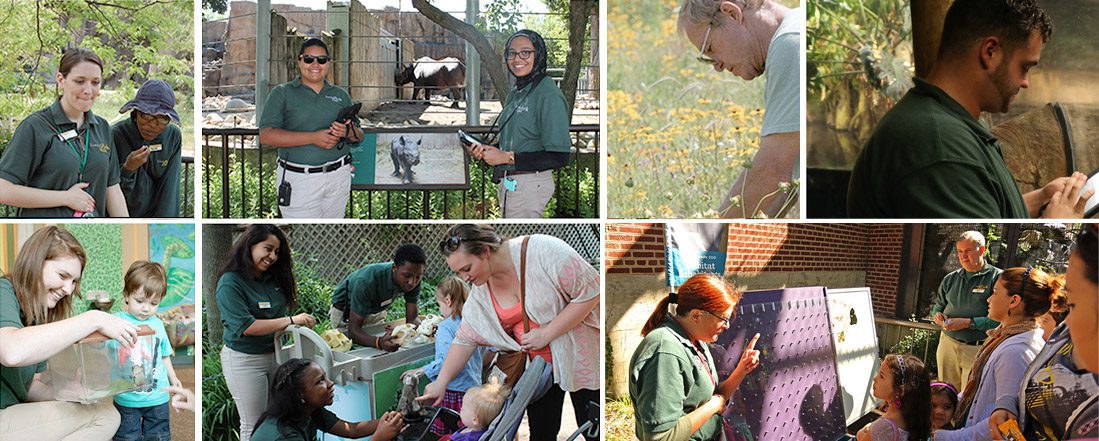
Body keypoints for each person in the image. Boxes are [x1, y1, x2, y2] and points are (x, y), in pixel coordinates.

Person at [847, 0, 1094, 218]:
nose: (1025, 82)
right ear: (990, 52)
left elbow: (985, 215)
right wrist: (1058, 224)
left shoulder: (948, 122)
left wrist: (1039, 200)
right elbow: (975, 238)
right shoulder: (940, 148)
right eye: (1024, 67)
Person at [417, 224, 600, 441]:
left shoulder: (545, 252)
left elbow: (591, 290)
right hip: (536, 371)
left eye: (466, 269)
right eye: (458, 272)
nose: (464, 278)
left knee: (593, 430)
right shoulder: (481, 289)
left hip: (581, 359)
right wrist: (442, 381)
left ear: (485, 250)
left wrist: (547, 333)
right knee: (542, 434)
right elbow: (465, 337)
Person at [0, 225, 138, 439]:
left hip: (10, 413)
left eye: (74, 281)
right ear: (35, 263)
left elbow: (29, 388)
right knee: (102, 417)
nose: (69, 289)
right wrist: (94, 319)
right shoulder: (3, 291)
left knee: (107, 413)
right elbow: (11, 351)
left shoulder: (38, 316)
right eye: (63, 275)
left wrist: (66, 393)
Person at [678, 0, 802, 218]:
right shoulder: (793, 36)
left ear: (731, 13)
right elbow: (791, 179)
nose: (717, 66)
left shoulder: (790, 44)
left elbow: (772, 170)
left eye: (710, 48)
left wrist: (713, 235)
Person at [988, 223, 1099, 440]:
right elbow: (1032, 381)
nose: (1066, 321)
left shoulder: (1017, 348)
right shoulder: (1064, 334)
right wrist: (1007, 405)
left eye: (1074, 304)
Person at [934, 266, 1065, 440]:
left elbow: (1005, 423)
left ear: (1014, 301)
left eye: (995, 292)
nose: (989, 299)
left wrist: (947, 437)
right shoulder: (1006, 338)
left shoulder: (1016, 351)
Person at [628, 273, 762, 441]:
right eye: (723, 319)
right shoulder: (665, 352)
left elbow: (711, 398)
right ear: (696, 315)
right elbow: (660, 437)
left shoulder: (695, 339)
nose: (727, 326)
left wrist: (742, 369)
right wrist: (713, 406)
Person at [216, 224, 318, 441]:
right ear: (250, 245)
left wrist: (295, 324)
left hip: (277, 356)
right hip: (244, 360)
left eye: (277, 252)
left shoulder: (273, 278)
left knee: (279, 417)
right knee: (253, 424)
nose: (272, 256)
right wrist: (291, 320)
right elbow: (247, 326)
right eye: (268, 248)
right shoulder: (230, 282)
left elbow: (277, 319)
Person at [0, 48, 128, 218]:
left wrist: (127, 228)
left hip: (92, 236)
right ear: (61, 80)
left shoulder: (102, 128)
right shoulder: (35, 127)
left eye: (95, 82)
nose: (88, 90)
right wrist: (65, 198)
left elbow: (112, 189)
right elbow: (4, 190)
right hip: (46, 237)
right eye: (80, 81)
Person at [464, 30, 571, 218]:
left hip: (530, 184)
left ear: (539, 54)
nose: (517, 58)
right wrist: (487, 150)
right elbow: (516, 141)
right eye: (512, 53)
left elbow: (559, 156)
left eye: (525, 52)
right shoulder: (517, 92)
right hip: (510, 182)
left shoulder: (548, 93)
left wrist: (506, 157)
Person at [258, 38, 363, 219]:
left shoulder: (340, 95)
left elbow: (359, 135)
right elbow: (266, 136)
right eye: (309, 59)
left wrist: (346, 132)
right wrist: (313, 138)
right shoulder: (282, 93)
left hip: (339, 176)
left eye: (321, 59)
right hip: (299, 180)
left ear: (328, 63)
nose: (315, 64)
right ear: (299, 61)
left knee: (331, 233)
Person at [401, 276, 482, 435]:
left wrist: (421, 370)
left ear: (448, 300)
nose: (439, 309)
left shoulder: (445, 327)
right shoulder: (472, 322)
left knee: (447, 433)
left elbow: (446, 361)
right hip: (473, 390)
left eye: (439, 304)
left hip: (452, 391)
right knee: (466, 432)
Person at [250, 358, 405, 441]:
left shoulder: (309, 412)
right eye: (320, 381)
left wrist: (392, 420)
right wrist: (379, 438)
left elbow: (352, 430)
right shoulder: (283, 436)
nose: (330, 384)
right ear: (300, 394)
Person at [111, 261, 181, 441]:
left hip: (158, 397)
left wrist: (174, 379)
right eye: (140, 301)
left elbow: (164, 355)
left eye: (153, 303)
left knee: (159, 436)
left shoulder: (157, 324)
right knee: (126, 437)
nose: (146, 308)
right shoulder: (116, 321)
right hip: (127, 398)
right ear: (126, 295)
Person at [931, 231, 1002, 389]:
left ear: (982, 250)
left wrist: (969, 323)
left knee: (968, 396)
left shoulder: (997, 278)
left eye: (968, 251)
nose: (963, 256)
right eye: (960, 251)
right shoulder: (950, 278)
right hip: (947, 345)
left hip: (977, 348)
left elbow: (1001, 319)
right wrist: (937, 316)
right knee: (945, 393)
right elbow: (937, 307)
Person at [329, 244, 426, 350]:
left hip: (375, 308)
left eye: (418, 277)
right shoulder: (366, 281)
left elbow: (412, 319)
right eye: (407, 276)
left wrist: (426, 330)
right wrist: (378, 342)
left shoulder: (413, 277)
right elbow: (354, 331)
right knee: (351, 350)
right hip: (346, 313)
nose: (412, 282)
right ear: (394, 268)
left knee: (380, 351)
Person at [110, 79, 183, 218]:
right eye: (146, 116)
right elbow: (108, 190)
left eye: (161, 119)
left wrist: (165, 225)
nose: (152, 125)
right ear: (136, 113)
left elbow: (170, 190)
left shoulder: (173, 136)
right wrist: (127, 169)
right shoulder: (115, 134)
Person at [857, 354, 931, 441]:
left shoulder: (881, 429)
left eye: (881, 376)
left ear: (900, 390)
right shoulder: (915, 420)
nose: (875, 379)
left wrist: (860, 435)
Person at [438, 380, 509, 441]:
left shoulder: (469, 439)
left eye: (464, 409)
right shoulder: (473, 428)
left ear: (475, 420)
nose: (460, 409)